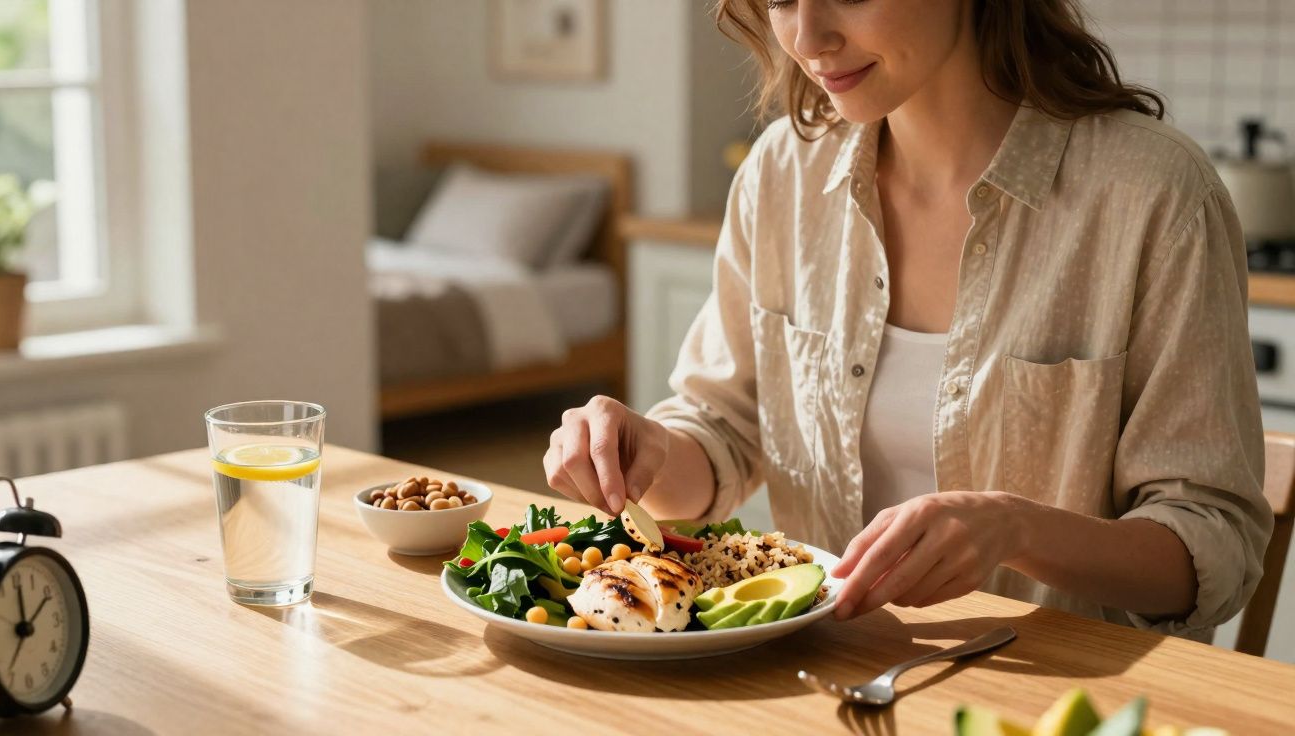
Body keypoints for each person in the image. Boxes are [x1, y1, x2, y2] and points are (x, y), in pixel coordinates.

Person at [543, 0, 1273, 640]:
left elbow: (1210, 550)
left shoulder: (1156, 196)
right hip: (819, 677)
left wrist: (1016, 528)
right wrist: (645, 451)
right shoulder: (782, 173)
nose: (808, 39)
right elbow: (722, 435)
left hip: (1048, 706)